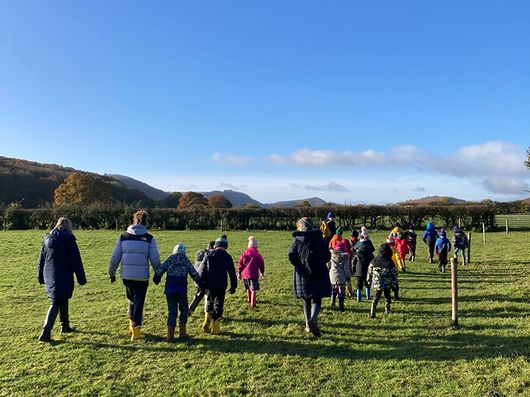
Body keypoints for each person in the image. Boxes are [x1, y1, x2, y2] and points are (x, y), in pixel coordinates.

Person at [108, 210, 161, 341]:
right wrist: (158, 273)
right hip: (142, 277)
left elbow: (115, 257)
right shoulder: (149, 238)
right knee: (139, 303)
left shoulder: (123, 236)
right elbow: (155, 259)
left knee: (131, 300)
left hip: (126, 277)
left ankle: (131, 326)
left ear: (134, 220)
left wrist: (112, 273)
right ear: (146, 222)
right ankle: (136, 330)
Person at [37, 217, 86, 342]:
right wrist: (81, 278)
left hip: (49, 275)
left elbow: (41, 259)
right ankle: (45, 332)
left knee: (62, 298)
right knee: (56, 302)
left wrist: (40, 275)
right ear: (68, 227)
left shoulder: (47, 239)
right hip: (63, 274)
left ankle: (65, 325)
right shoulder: (69, 240)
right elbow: (76, 260)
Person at [288, 217, 331, 337]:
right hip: (319, 272)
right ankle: (313, 318)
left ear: (300, 226)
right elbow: (327, 256)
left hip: (302, 274)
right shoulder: (319, 238)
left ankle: (308, 324)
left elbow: (291, 256)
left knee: (306, 299)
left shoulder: (297, 240)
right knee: (317, 298)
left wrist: (298, 265)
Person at [153, 244, 204, 341]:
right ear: (184, 252)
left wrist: (157, 279)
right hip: (181, 289)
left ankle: (170, 336)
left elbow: (160, 270)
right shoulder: (185, 260)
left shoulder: (170, 259)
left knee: (172, 312)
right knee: (184, 310)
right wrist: (201, 284)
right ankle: (182, 332)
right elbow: (194, 273)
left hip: (170, 290)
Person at [197, 236, 238, 335]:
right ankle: (216, 328)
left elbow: (201, 270)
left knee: (209, 302)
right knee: (218, 304)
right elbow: (232, 273)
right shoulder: (227, 257)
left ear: (215, 245)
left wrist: (201, 284)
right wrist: (233, 286)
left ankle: (206, 322)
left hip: (209, 285)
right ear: (225, 246)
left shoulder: (207, 255)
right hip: (221, 285)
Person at [367, 244, 396, 318]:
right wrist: (394, 285)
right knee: (387, 296)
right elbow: (393, 275)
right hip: (387, 283)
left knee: (376, 297)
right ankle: (387, 310)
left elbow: (370, 272)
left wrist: (369, 281)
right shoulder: (390, 262)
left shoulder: (374, 260)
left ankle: (372, 311)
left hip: (377, 283)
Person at [188, 240, 215, 316]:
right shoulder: (209, 256)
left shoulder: (200, 253)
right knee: (207, 296)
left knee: (199, 295)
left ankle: (190, 310)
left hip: (196, 279)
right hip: (204, 279)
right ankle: (208, 312)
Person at [237, 236, 265, 309]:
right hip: (253, 275)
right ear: (256, 247)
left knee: (248, 288)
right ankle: (253, 304)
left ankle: (249, 299)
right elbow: (261, 265)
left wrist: (239, 273)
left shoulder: (244, 254)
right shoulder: (258, 255)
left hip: (245, 275)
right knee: (253, 289)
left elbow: (240, 264)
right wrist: (262, 272)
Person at [353, 232, 375, 302]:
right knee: (367, 283)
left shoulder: (357, 255)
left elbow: (353, 262)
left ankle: (358, 298)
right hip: (367, 270)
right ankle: (368, 296)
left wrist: (354, 270)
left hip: (359, 270)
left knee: (359, 284)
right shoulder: (369, 255)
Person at [327, 243, 349, 311]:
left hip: (332, 276)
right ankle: (341, 306)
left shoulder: (331, 256)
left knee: (333, 290)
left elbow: (328, 265)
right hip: (341, 277)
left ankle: (332, 301)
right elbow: (346, 268)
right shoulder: (345, 258)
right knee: (341, 292)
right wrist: (348, 276)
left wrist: (329, 272)